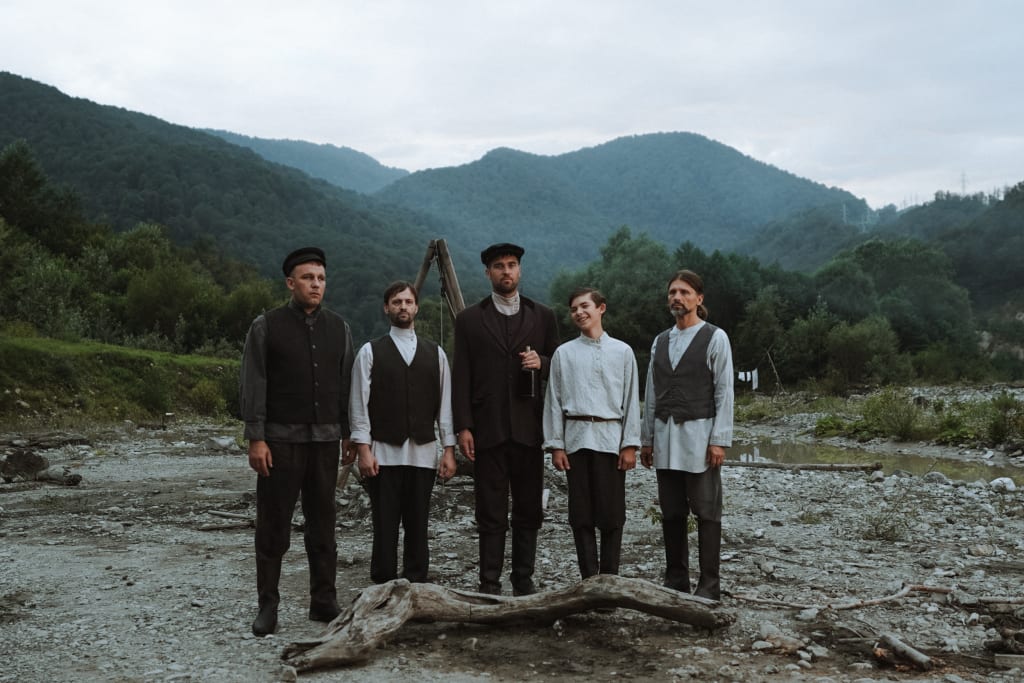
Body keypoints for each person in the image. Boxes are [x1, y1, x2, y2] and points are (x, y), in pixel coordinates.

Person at [239, 246, 355, 636]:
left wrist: (350, 433)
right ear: (291, 283)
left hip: (325, 442)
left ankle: (323, 601)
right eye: (308, 278)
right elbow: (254, 383)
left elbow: (346, 386)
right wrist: (256, 438)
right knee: (273, 526)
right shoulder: (266, 326)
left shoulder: (339, 328)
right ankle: (268, 606)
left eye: (320, 278)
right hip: (280, 442)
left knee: (323, 524)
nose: (315, 285)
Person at [452, 242, 559, 595]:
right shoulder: (469, 319)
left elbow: (560, 364)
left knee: (529, 509)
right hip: (488, 429)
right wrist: (463, 426)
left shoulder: (543, 315)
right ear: (488, 273)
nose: (506, 271)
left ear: (520, 270)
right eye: (499, 266)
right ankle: (489, 583)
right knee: (490, 510)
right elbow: (461, 375)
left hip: (530, 428)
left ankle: (523, 580)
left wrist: (542, 362)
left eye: (512, 265)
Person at [349, 281, 457, 584]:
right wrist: (363, 450)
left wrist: (448, 450)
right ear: (387, 308)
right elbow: (358, 404)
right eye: (397, 302)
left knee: (418, 523)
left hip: (423, 452)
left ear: (416, 307)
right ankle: (383, 582)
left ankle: (416, 581)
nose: (403, 307)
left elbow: (445, 406)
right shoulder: (370, 352)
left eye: (408, 301)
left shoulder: (436, 354)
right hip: (383, 453)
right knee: (384, 523)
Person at [640, 269, 734, 601]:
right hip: (665, 437)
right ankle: (676, 578)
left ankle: (709, 585)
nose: (677, 297)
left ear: (699, 298)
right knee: (672, 511)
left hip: (700, 437)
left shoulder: (715, 337)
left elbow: (724, 390)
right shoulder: (660, 341)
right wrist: (647, 439)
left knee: (707, 512)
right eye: (672, 293)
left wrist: (719, 439)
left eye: (684, 292)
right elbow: (651, 392)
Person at [542, 287, 641, 579]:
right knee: (581, 514)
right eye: (574, 309)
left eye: (584, 306)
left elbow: (631, 399)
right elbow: (554, 400)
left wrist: (630, 444)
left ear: (601, 308)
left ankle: (609, 579)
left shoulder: (622, 351)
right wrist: (556, 445)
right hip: (576, 440)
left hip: (611, 439)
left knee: (612, 514)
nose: (579, 312)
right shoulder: (564, 353)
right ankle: (588, 579)